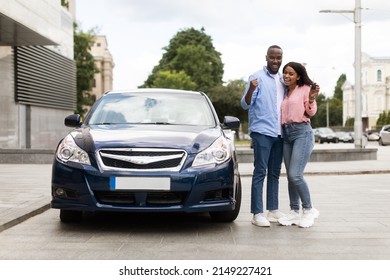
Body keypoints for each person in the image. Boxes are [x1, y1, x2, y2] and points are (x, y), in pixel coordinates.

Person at [240, 45, 286, 227]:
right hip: (262, 132)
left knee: (275, 173)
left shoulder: (284, 80)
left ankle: (273, 209)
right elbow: (245, 104)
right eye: (272, 57)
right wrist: (251, 89)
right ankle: (257, 213)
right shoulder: (256, 77)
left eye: (279, 57)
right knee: (260, 172)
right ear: (266, 57)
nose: (275, 61)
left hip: (280, 132)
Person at [277, 62, 320, 228]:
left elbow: (311, 112)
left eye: (291, 74)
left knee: (296, 174)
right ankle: (294, 212)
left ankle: (308, 210)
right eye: (285, 73)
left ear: (299, 76)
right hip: (287, 134)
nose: (287, 76)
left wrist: (311, 99)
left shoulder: (305, 89)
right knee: (290, 176)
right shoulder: (286, 91)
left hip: (303, 132)